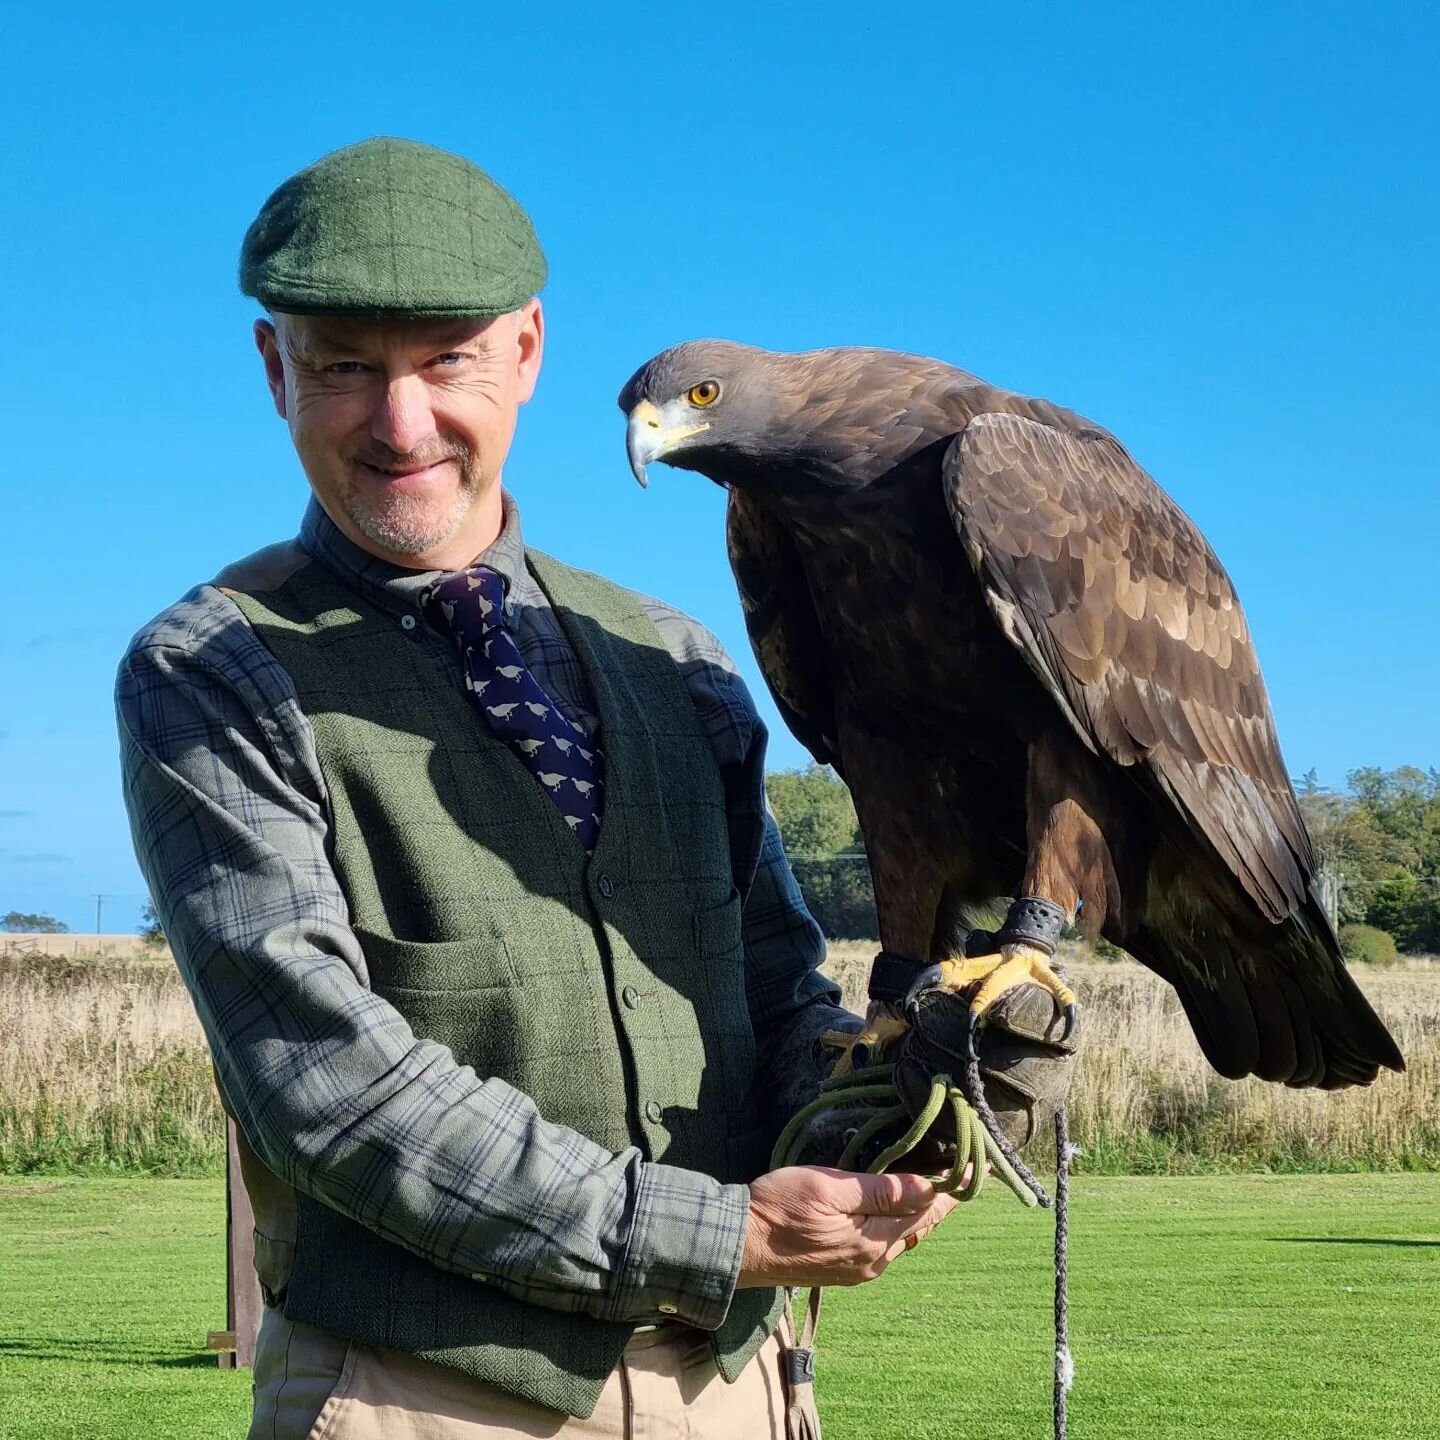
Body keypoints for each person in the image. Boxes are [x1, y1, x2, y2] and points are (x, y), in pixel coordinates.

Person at [117, 137, 967, 1439]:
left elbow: (769, 997)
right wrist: (719, 1234)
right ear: (273, 369)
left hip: (734, 1389)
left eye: (447, 359)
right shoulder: (212, 673)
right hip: (421, 1397)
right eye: (345, 365)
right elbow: (330, 1094)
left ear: (525, 352)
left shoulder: (673, 654)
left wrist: (910, 1102)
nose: (401, 424)